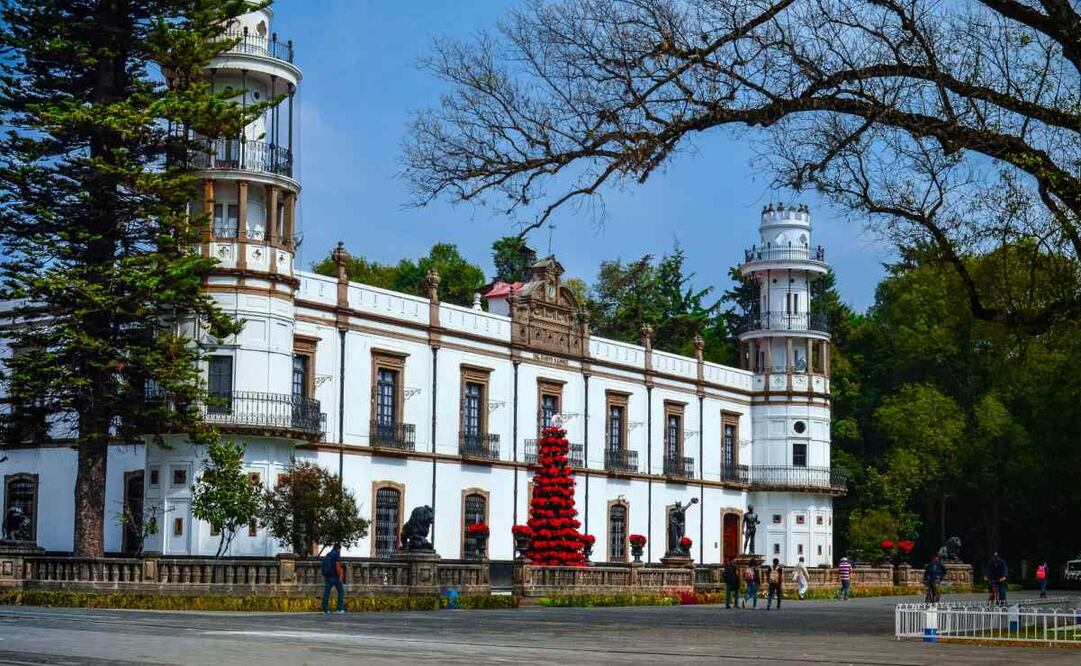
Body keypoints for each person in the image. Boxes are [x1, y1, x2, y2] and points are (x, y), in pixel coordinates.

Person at [321, 543, 345, 614]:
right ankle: (339, 609)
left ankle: (325, 610)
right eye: (340, 549)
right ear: (338, 549)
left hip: (328, 576)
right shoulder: (336, 554)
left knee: (327, 592)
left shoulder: (328, 554)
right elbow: (337, 565)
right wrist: (340, 575)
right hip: (335, 577)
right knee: (341, 591)